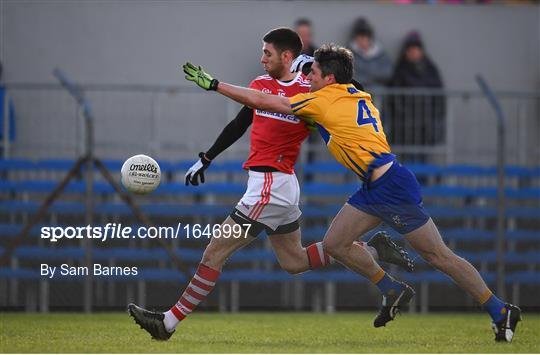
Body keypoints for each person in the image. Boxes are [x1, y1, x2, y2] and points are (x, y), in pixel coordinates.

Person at [181, 43, 522, 342]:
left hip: (392, 189)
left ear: (327, 78)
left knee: (438, 256)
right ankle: (390, 287)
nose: (307, 76)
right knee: (334, 245)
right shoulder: (355, 93)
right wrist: (309, 62)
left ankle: (500, 309)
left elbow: (262, 100)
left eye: (312, 72)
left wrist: (215, 85)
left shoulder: (322, 101)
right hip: (374, 185)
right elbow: (341, 84)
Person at [128, 28, 412, 341]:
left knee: (214, 252)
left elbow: (350, 89)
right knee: (295, 261)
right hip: (278, 187)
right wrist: (207, 158)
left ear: (287, 56)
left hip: (271, 186)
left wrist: (308, 67)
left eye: (268, 53)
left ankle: (167, 323)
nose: (262, 59)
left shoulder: (311, 91)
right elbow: (240, 124)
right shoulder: (259, 85)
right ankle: (373, 248)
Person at [387, 31, 445, 159]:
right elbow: (394, 98)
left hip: (426, 125)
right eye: (410, 50)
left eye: (416, 49)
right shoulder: (400, 70)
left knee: (424, 159)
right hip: (405, 127)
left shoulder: (430, 69)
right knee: (406, 161)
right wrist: (404, 116)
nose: (414, 52)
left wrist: (435, 118)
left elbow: (439, 96)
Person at [348, 17, 392, 90]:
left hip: (377, 92)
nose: (363, 40)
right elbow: (347, 74)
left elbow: (387, 73)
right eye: (360, 36)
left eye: (365, 36)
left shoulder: (380, 53)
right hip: (356, 91)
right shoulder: (349, 53)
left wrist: (368, 76)